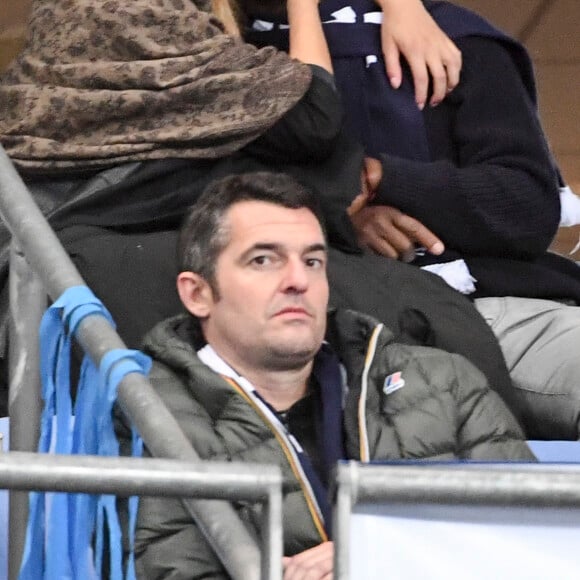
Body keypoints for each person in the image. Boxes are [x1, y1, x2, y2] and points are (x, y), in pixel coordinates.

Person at [0, 0, 511, 420]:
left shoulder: (36, 81)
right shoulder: (155, 25)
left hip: (55, 323)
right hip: (199, 351)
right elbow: (314, 115)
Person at [132, 171, 534, 579]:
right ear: (197, 293)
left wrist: (377, 554)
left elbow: (536, 547)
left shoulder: (444, 382)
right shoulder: (147, 417)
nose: (297, 281)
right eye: (263, 260)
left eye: (312, 261)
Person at [241, 0, 580, 440]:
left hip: (491, 308)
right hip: (322, 336)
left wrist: (384, 179)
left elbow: (527, 208)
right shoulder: (216, 57)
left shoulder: (450, 36)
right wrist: (343, 223)